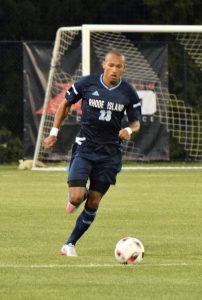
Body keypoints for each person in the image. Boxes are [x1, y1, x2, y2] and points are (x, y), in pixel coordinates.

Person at [43, 49, 141, 256]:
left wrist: (129, 130)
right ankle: (77, 194)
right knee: (77, 197)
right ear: (104, 65)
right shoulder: (87, 83)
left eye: (119, 66)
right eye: (111, 65)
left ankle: (69, 244)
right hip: (86, 147)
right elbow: (65, 104)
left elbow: (136, 123)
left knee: (94, 201)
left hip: (110, 153)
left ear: (123, 68)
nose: (114, 69)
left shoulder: (129, 93)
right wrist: (54, 133)